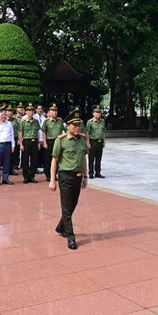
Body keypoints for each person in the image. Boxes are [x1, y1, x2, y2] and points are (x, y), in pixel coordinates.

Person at [49, 107, 89, 250]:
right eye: (75, 125)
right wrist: (52, 179)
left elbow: (84, 158)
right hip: (65, 176)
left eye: (79, 125)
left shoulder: (82, 140)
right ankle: (71, 237)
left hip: (78, 177)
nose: (78, 127)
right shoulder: (61, 141)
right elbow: (54, 160)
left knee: (72, 205)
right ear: (68, 126)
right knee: (66, 208)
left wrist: (85, 176)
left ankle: (61, 227)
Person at [0, 105, 15, 185]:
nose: (4, 116)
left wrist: (13, 145)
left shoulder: (9, 124)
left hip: (8, 144)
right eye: (2, 115)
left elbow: (12, 135)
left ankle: (5, 178)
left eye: (5, 114)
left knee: (6, 163)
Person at [41, 103, 65, 182]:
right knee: (48, 159)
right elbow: (44, 132)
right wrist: (44, 142)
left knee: (57, 158)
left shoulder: (60, 121)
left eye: (56, 110)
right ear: (49, 112)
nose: (54, 112)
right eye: (53, 110)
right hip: (49, 141)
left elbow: (64, 130)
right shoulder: (46, 121)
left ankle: (55, 174)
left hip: (58, 141)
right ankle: (48, 174)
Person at [19, 103, 42, 183]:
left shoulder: (36, 121)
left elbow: (38, 132)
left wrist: (39, 142)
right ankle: (26, 176)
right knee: (25, 160)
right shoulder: (23, 121)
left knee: (34, 160)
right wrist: (21, 144)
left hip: (34, 141)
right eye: (29, 110)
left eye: (32, 110)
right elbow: (20, 133)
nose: (31, 112)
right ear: (26, 112)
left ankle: (32, 176)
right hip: (26, 141)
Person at [86, 105, 107, 178]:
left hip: (100, 141)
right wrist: (88, 143)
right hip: (93, 141)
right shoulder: (90, 122)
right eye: (96, 112)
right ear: (93, 113)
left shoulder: (102, 122)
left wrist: (104, 141)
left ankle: (98, 172)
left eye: (99, 112)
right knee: (91, 158)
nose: (98, 114)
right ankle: (91, 172)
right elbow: (87, 133)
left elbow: (103, 132)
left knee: (99, 158)